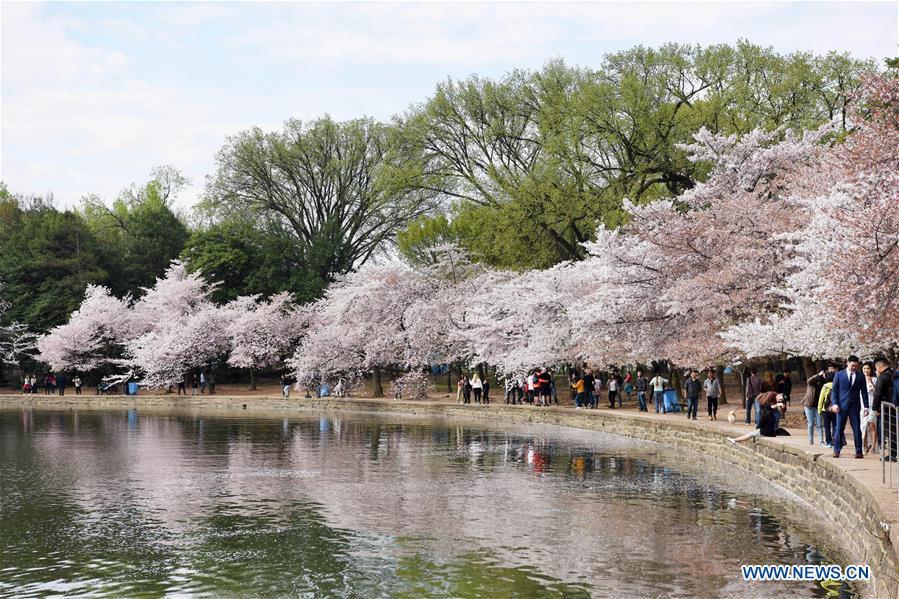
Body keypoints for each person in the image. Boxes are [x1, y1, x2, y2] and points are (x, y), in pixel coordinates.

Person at [831, 355, 870, 459]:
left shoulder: (860, 376)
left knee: (857, 429)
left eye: (856, 366)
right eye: (852, 365)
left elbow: (864, 392)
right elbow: (834, 390)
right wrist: (834, 403)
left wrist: (866, 406)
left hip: (855, 406)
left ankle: (859, 451)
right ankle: (836, 450)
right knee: (839, 429)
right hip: (841, 406)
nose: (854, 367)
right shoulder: (839, 374)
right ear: (847, 363)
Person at [872, 358, 895, 460]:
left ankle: (892, 455)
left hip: (886, 407)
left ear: (879, 367)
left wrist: (875, 408)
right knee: (894, 430)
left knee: (889, 431)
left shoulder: (882, 377)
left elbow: (877, 394)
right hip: (895, 405)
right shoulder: (894, 373)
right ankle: (893, 454)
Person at [802, 370, 827, 445]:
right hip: (809, 405)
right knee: (811, 423)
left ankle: (821, 441)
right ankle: (811, 440)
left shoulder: (824, 384)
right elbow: (809, 380)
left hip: (818, 406)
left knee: (820, 424)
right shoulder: (812, 383)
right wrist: (818, 375)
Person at [862, 362, 878, 453]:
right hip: (862, 404)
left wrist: (871, 382)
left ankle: (873, 446)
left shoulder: (875, 379)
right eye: (864, 368)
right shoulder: (859, 378)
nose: (866, 370)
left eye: (868, 368)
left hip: (872, 405)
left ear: (871, 369)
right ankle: (864, 445)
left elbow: (877, 393)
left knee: (872, 424)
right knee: (863, 426)